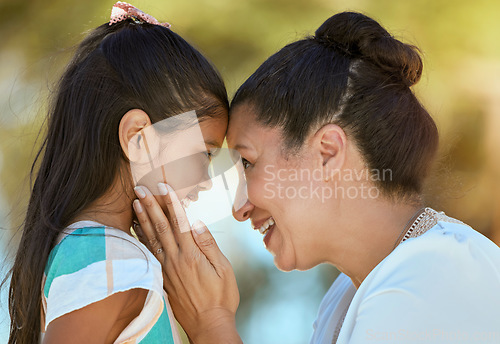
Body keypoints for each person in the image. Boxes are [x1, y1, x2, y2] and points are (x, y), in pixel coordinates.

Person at [133, 11, 500, 344]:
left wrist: (210, 322)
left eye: (247, 163)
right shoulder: (349, 292)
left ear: (328, 151)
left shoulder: (433, 277)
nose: (239, 208)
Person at [3, 2, 229, 343]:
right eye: (205, 153)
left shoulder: (87, 252)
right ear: (138, 139)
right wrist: (214, 322)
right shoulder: (120, 266)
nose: (207, 181)